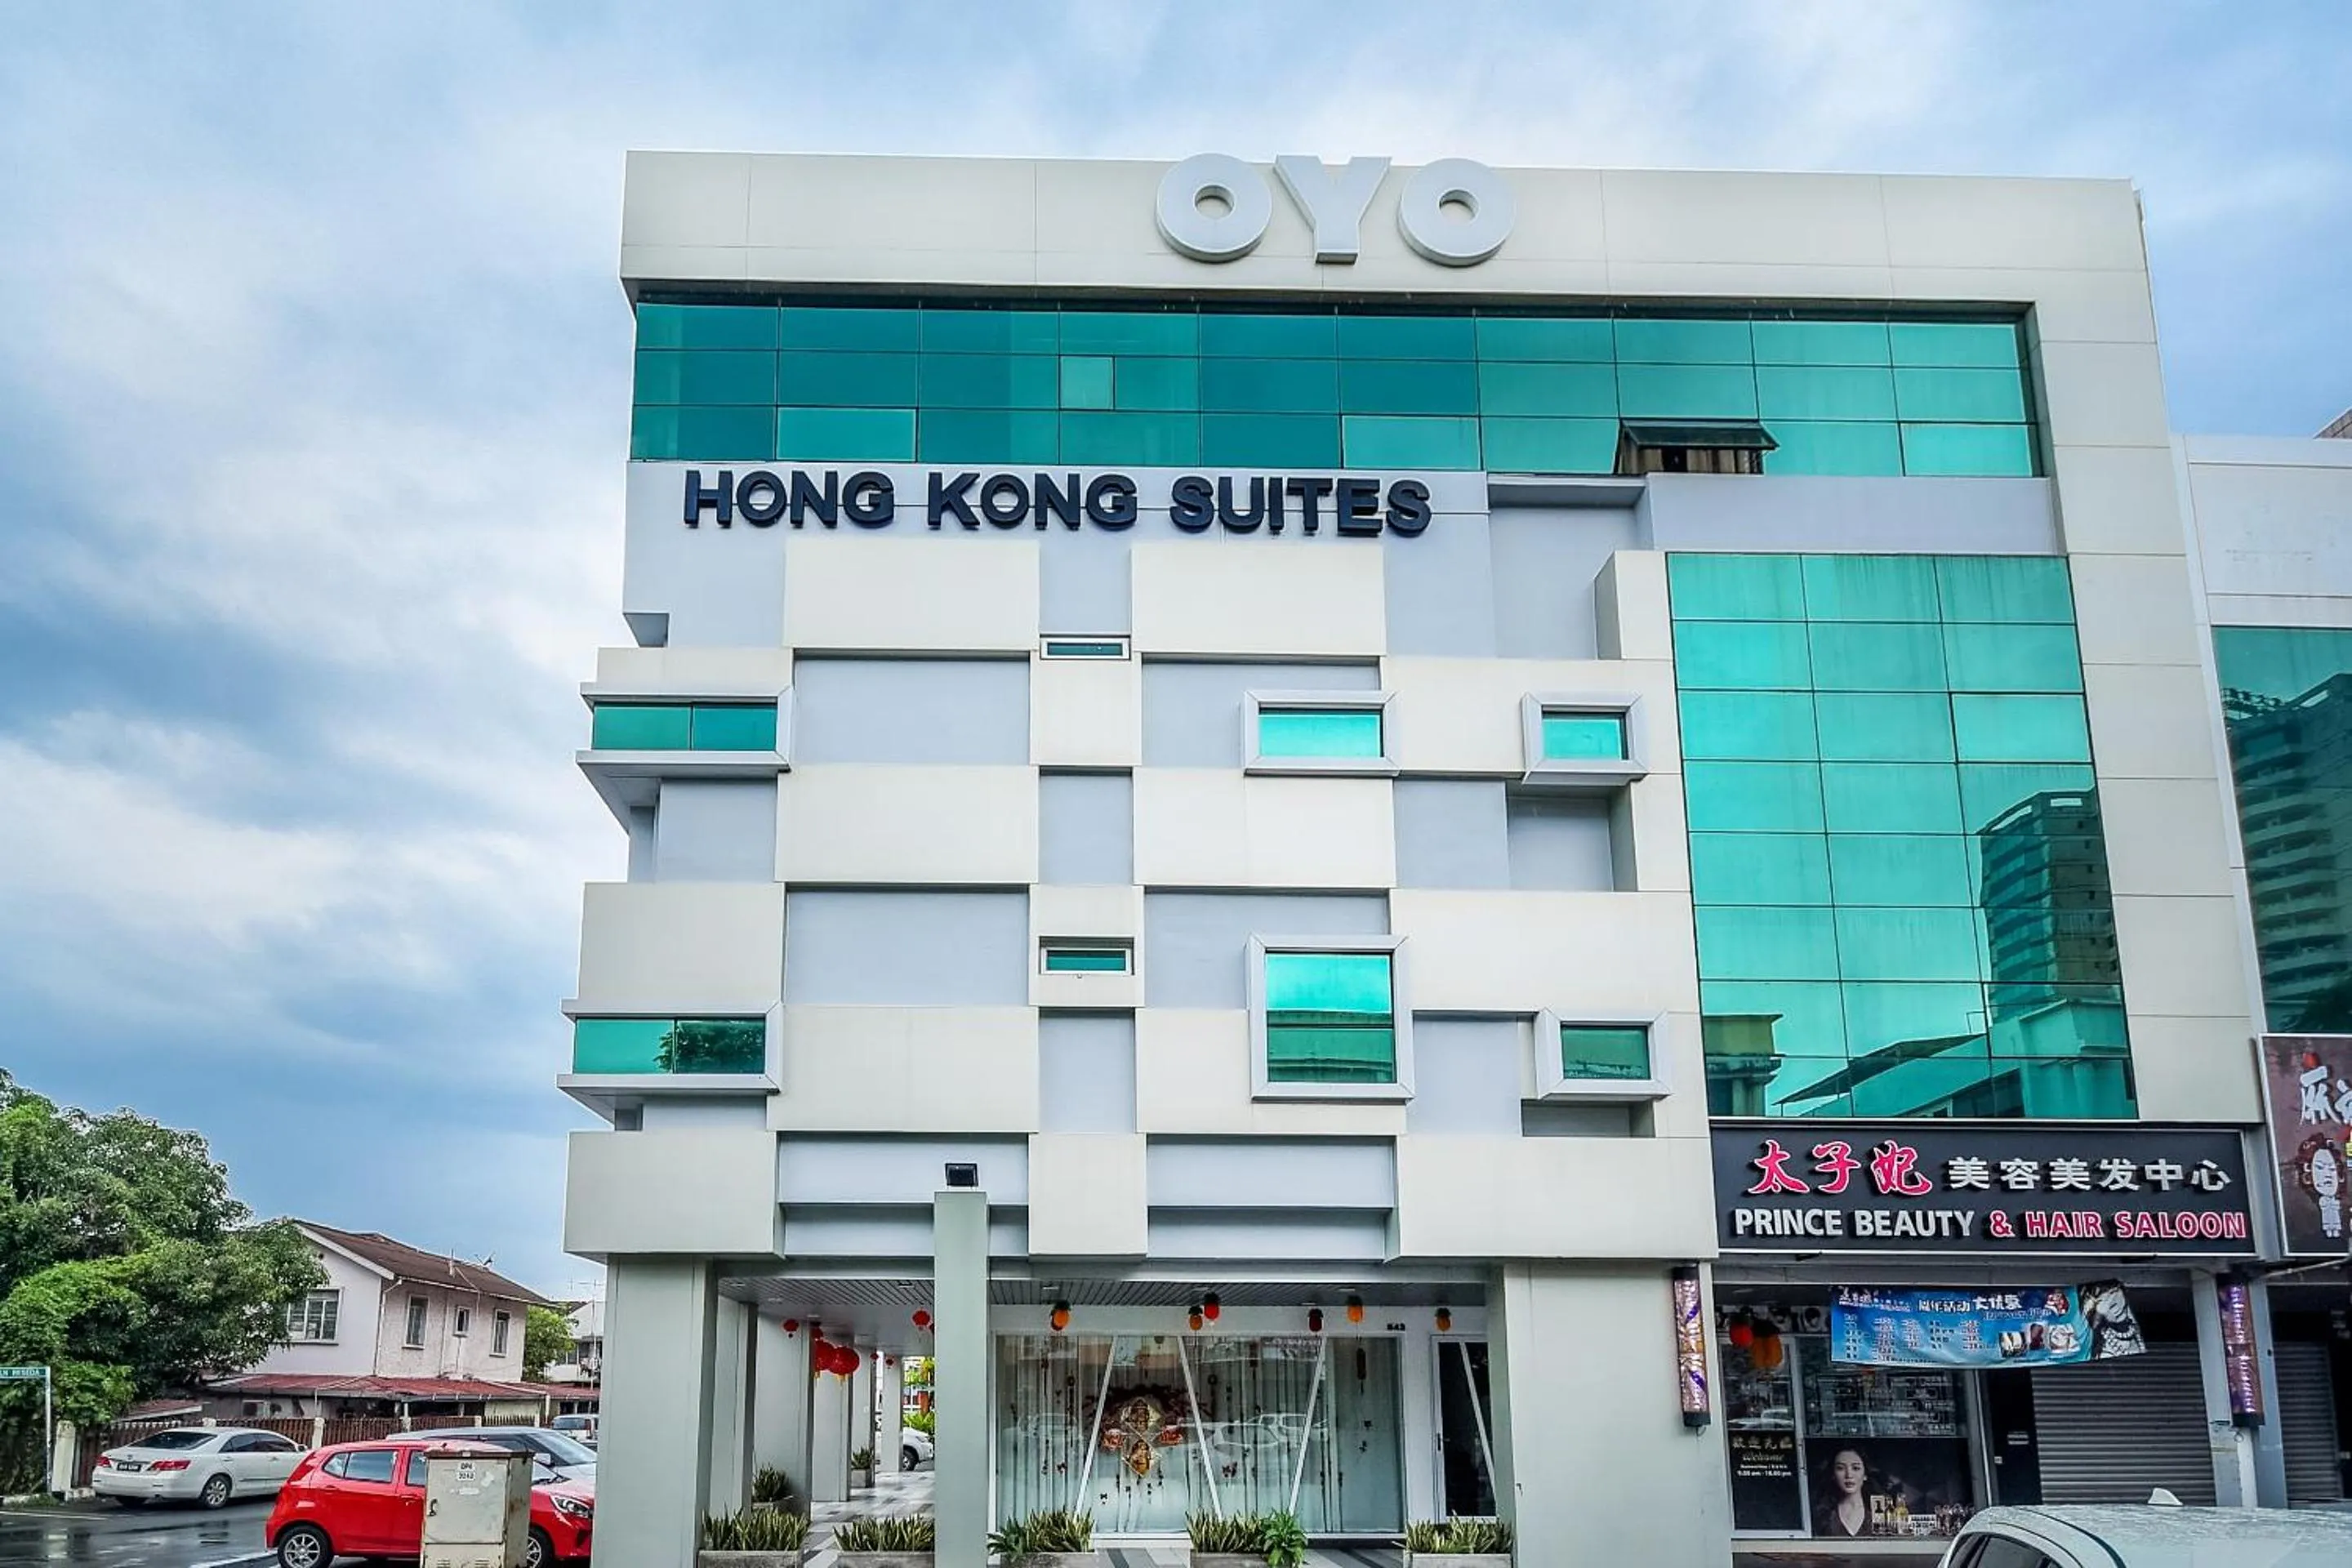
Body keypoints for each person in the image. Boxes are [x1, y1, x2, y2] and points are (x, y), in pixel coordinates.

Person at [1813, 1447, 1878, 1538]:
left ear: (1865, 1475)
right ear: (1833, 1475)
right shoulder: (1822, 1514)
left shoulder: (1879, 1512)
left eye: (1855, 1468)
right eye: (1840, 1468)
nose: (1849, 1475)